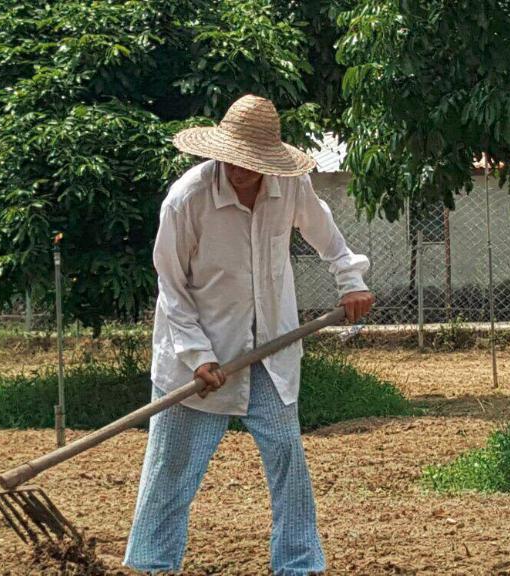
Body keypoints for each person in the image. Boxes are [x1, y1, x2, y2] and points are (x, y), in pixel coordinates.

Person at [123, 94, 374, 575]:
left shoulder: (291, 186)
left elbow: (329, 240)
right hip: (195, 358)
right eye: (231, 160)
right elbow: (171, 288)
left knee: (287, 460)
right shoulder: (187, 200)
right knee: (171, 467)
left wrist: (351, 282)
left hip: (270, 354)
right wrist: (197, 355)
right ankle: (153, 565)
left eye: (249, 163)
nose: (239, 171)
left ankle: (298, 565)